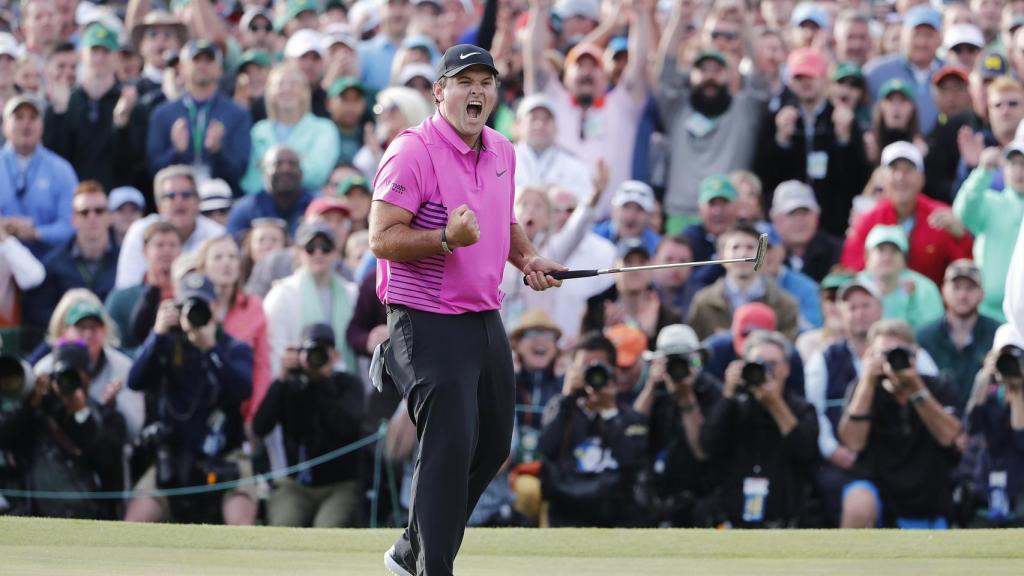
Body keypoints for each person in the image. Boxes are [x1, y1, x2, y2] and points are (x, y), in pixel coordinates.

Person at [371, 45, 564, 576]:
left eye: (485, 81)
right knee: (451, 440)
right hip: (422, 315)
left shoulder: (502, 149)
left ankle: (412, 550)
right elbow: (381, 238)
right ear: (439, 92)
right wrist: (444, 239)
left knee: (496, 439)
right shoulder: (412, 150)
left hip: (482, 314)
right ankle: (433, 567)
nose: (476, 91)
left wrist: (527, 259)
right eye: (464, 81)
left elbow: (503, 224)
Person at [123, 272, 255, 525]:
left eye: (202, 306)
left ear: (215, 308)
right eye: (189, 306)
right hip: (172, 455)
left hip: (225, 454)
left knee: (241, 522)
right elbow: (135, 381)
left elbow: (242, 390)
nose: (195, 315)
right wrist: (158, 334)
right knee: (135, 520)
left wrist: (210, 349)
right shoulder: (167, 345)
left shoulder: (234, 348)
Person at [524, 0, 651, 215]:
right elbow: (535, 59)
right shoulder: (553, 100)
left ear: (605, 77)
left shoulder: (622, 105)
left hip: (607, 222)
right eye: (579, 66)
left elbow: (638, 65)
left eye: (594, 67)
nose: (586, 72)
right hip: (558, 222)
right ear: (566, 76)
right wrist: (539, 9)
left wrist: (641, 15)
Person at [838, 320, 962, 528]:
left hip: (928, 492)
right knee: (858, 503)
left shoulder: (938, 386)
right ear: (870, 356)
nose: (892, 361)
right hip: (877, 487)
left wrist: (915, 389)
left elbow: (949, 437)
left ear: (915, 355)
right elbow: (852, 443)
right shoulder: (862, 390)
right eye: (883, 354)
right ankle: (851, 560)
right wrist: (867, 381)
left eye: (899, 353)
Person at [656, 4, 766, 232]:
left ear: (729, 74)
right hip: (680, 218)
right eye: (703, 70)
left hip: (731, 220)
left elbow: (761, 76)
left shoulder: (745, 110)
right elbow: (665, 69)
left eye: (717, 71)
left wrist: (745, 25)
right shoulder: (677, 109)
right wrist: (679, 17)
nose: (710, 77)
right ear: (691, 75)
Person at [701, 330, 819, 527]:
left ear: (787, 368)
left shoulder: (801, 408)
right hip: (732, 521)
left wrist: (775, 404)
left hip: (784, 521)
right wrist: (728, 394)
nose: (765, 371)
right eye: (758, 364)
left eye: (772, 364)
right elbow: (708, 446)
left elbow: (806, 451)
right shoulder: (735, 406)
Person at [252, 323, 366, 527]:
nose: (316, 357)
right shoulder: (290, 384)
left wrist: (324, 382)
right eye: (311, 351)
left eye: (323, 351)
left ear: (336, 355)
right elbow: (260, 427)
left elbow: (345, 427)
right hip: (295, 485)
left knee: (327, 527)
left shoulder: (348, 384)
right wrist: (281, 379)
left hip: (339, 486)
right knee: (284, 523)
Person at [0, 341, 126, 519]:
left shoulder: (108, 417)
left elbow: (106, 460)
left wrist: (81, 414)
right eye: (63, 375)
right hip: (36, 516)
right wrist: (31, 404)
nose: (67, 383)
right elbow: (4, 437)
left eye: (74, 375)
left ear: (88, 378)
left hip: (92, 518)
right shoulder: (38, 412)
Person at [536, 330, 648, 527]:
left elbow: (632, 462)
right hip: (567, 509)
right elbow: (545, 448)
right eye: (584, 368)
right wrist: (567, 399)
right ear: (572, 370)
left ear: (613, 371)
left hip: (616, 515)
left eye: (598, 368)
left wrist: (609, 413)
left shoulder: (628, 416)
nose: (592, 375)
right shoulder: (561, 407)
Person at [756, 47, 870, 240]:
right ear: (790, 82)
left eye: (811, 76)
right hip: (789, 225)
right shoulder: (776, 119)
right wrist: (781, 142)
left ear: (824, 79)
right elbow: (765, 176)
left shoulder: (842, 118)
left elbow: (857, 178)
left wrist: (844, 141)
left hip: (834, 225)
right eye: (799, 78)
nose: (806, 83)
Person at [841, 141, 974, 287]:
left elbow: (966, 269)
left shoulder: (942, 216)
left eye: (908, 170)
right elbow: (851, 269)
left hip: (931, 305)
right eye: (894, 170)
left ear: (922, 178)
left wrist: (962, 237)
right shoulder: (868, 219)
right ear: (883, 178)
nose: (900, 177)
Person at [632, 324, 722, 527]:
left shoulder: (712, 391)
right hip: (653, 492)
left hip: (698, 494)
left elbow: (702, 451)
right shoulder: (654, 391)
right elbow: (631, 434)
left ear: (697, 359)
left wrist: (686, 399)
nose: (677, 368)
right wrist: (650, 387)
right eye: (671, 361)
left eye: (683, 359)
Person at [42, 23, 146, 192]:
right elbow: (54, 159)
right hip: (74, 198)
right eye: (94, 51)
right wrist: (59, 114)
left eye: (106, 51)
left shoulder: (133, 105)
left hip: (118, 198)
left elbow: (134, 164)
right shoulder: (66, 102)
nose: (99, 58)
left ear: (117, 57)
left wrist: (121, 124)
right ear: (82, 54)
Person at [33, 293, 144, 440]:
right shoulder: (44, 370)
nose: (88, 334)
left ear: (104, 331)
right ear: (64, 330)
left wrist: (107, 408)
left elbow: (133, 431)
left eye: (94, 327)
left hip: (104, 450)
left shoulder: (124, 368)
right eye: (81, 327)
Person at [146, 40, 252, 191]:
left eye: (209, 60)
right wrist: (176, 152)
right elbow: (153, 169)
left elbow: (239, 171)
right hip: (176, 197)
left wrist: (217, 152)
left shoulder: (237, 114)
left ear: (220, 69)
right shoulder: (163, 114)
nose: (202, 66)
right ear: (181, 68)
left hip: (221, 200)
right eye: (195, 60)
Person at [23, 182, 119, 345]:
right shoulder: (53, 263)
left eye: (99, 211)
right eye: (84, 212)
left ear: (109, 217)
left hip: (114, 341)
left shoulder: (124, 260)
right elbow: (39, 313)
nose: (92, 217)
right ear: (73, 219)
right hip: (67, 342)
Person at [264, 221, 358, 378]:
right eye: (310, 247)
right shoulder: (281, 295)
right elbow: (274, 351)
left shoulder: (353, 294)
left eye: (325, 247)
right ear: (299, 252)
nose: (318, 253)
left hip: (343, 386)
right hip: (298, 386)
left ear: (336, 252)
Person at [194, 235, 272, 425]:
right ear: (203, 267)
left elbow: (262, 365)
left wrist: (255, 415)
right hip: (197, 407)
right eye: (218, 257)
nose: (226, 263)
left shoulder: (254, 306)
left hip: (238, 410)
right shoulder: (192, 306)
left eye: (232, 257)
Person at [116, 165, 225, 289]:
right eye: (171, 196)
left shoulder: (216, 235)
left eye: (186, 195)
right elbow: (127, 287)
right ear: (159, 205)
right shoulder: (140, 231)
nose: (179, 201)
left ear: (198, 202)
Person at [240, 63, 341, 195]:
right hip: (263, 204)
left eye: (293, 84)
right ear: (270, 92)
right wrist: (298, 161)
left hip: (308, 203)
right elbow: (251, 181)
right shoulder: (259, 130)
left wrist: (268, 165)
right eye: (280, 84)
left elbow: (317, 174)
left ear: (305, 91)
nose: (287, 89)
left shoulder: (324, 129)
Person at [687, 223, 800, 341]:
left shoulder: (785, 304)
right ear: (722, 257)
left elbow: (787, 350)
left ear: (764, 256)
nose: (743, 254)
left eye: (750, 247)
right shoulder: (703, 302)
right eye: (735, 247)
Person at [953, 142, 1024, 322]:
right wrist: (983, 171)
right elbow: (963, 212)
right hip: (988, 315)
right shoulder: (992, 202)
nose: (1019, 170)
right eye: (1013, 163)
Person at [917, 259, 1000, 410]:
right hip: (935, 422)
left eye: (970, 288)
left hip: (986, 423)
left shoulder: (998, 335)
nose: (962, 295)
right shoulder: (923, 337)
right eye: (956, 287)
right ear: (943, 290)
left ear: (981, 294)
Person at [0, 95, 77, 254]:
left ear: (42, 125)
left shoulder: (61, 169)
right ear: (4, 125)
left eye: (33, 117)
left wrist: (36, 233)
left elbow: (71, 223)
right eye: (19, 117)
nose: (26, 124)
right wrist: (5, 224)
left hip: (49, 261)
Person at [965, 324, 1024, 523]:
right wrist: (984, 376)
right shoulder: (988, 395)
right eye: (1003, 356)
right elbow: (972, 426)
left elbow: (1021, 438)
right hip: (987, 480)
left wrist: (1017, 392)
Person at [864, 4, 945, 136]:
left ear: (940, 38)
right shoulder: (875, 71)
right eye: (916, 34)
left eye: (929, 35)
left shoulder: (951, 73)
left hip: (940, 153)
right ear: (903, 34)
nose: (922, 42)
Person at [104, 220, 181, 355]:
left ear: (181, 250)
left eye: (172, 245)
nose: (167, 251)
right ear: (145, 251)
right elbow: (111, 348)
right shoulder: (121, 299)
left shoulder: (191, 295)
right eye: (160, 245)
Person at [855, 225, 944, 330]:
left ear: (904, 258)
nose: (887, 256)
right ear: (867, 256)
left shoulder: (925, 288)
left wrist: (911, 302)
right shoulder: (853, 286)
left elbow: (933, 332)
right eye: (881, 250)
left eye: (894, 250)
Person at [513, 93, 593, 203]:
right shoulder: (500, 161)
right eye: (533, 118)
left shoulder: (575, 167)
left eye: (546, 119)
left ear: (556, 127)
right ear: (517, 126)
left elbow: (586, 204)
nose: (539, 124)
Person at [228, 146, 314, 237]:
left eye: (292, 164)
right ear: (264, 170)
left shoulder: (314, 206)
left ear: (301, 171)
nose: (285, 169)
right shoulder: (245, 210)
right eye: (277, 164)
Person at [770, 180, 841, 283]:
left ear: (816, 217)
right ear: (776, 220)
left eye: (805, 213)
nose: (799, 221)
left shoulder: (837, 251)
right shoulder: (766, 257)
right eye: (792, 214)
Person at [592, 180, 662, 256]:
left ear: (649, 215)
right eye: (626, 207)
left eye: (639, 209)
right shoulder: (592, 236)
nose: (631, 216)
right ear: (613, 210)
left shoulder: (659, 247)